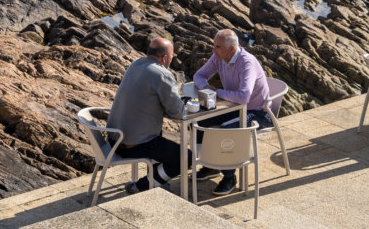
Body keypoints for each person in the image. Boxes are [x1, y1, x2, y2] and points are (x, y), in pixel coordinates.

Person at [192, 28, 272, 196]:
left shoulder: (246, 62)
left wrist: (217, 92)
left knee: (226, 131)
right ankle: (211, 165)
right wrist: (205, 87)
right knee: (197, 123)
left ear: (232, 49)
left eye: (218, 47)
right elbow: (199, 75)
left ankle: (229, 177)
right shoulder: (219, 57)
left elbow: (244, 97)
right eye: (214, 46)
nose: (213, 50)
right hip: (234, 107)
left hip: (258, 112)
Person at [108, 36, 187, 194]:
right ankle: (142, 185)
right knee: (185, 157)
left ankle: (157, 177)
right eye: (172, 56)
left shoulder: (136, 64)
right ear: (165, 58)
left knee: (162, 141)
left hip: (114, 139)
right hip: (133, 145)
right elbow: (177, 113)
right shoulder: (162, 74)